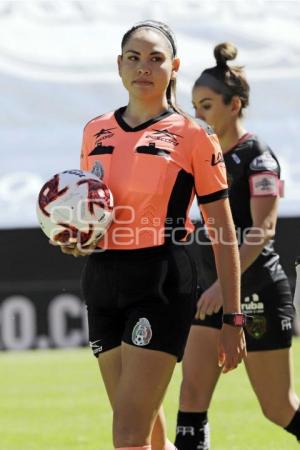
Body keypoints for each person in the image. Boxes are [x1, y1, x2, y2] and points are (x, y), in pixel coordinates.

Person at [58, 23, 247, 450]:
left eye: (156, 58)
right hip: (102, 282)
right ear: (119, 65)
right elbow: (93, 211)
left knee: (128, 434)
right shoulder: (95, 130)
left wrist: (233, 317)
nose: (144, 67)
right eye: (134, 57)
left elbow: (223, 231)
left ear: (174, 67)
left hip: (160, 284)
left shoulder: (194, 135)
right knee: (143, 422)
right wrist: (77, 237)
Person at [174, 42, 300, 450]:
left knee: (278, 408)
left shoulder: (259, 157)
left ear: (234, 105)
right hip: (212, 296)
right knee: (191, 399)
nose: (198, 115)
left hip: (257, 291)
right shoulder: (201, 157)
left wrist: (221, 288)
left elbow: (262, 230)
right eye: (194, 106)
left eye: (206, 105)